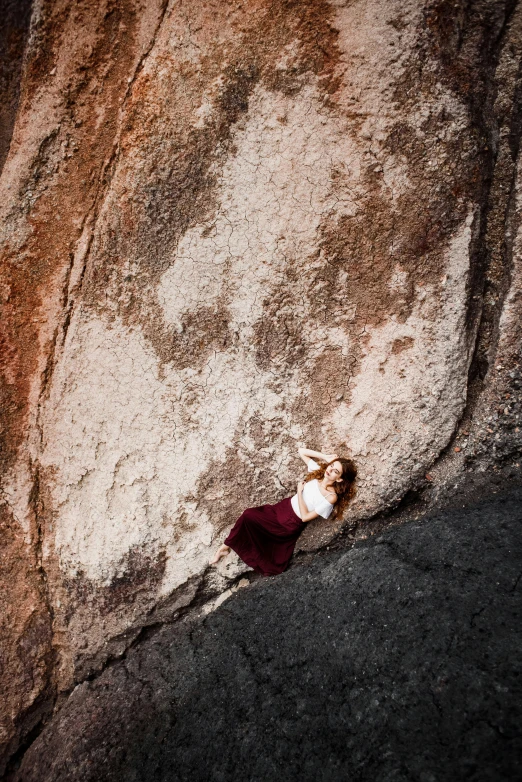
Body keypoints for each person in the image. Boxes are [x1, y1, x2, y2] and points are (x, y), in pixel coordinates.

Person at [209, 446, 357, 576]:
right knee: (248, 516)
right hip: (280, 509)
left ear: (339, 479)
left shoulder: (330, 497)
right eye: (331, 466)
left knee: (249, 517)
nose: (330, 470)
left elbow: (305, 517)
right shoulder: (319, 472)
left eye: (335, 471)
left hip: (289, 523)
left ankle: (224, 547)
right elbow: (301, 451)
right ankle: (225, 547)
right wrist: (325, 457)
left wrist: (300, 492)